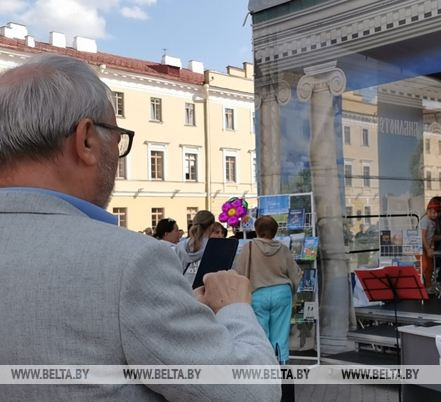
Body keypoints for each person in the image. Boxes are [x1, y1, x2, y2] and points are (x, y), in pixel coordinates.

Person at [0, 54, 279, 400]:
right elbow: (253, 392)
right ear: (86, 140)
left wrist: (178, 310)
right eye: (116, 137)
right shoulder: (130, 263)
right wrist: (234, 308)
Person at [233, 216, 302, 364]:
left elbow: (240, 271)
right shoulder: (283, 249)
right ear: (275, 231)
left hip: (258, 292)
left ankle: (264, 364)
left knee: (260, 333)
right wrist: (293, 290)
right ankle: (282, 365)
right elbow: (295, 274)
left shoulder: (249, 247)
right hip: (282, 292)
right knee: (281, 334)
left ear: (257, 230)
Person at [178, 210, 215, 284]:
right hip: (204, 287)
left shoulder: (180, 245)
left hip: (183, 286)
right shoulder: (214, 246)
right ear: (211, 226)